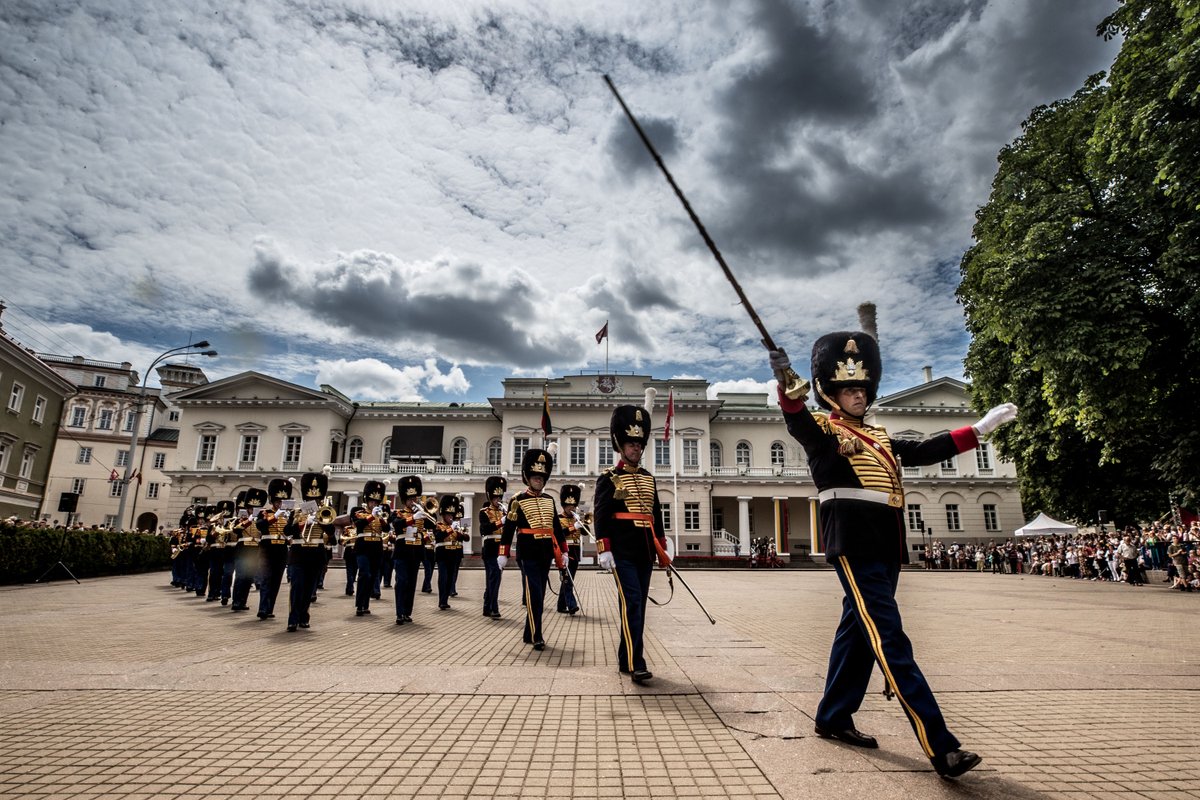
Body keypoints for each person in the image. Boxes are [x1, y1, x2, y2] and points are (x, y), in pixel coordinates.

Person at [769, 332, 1017, 779]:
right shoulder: (824, 431)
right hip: (853, 542)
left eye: (863, 389)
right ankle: (940, 746)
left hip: (886, 543)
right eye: (849, 389)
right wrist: (785, 383)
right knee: (890, 638)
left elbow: (923, 451)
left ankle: (833, 715)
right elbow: (796, 418)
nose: (858, 395)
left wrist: (978, 430)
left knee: (858, 633)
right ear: (831, 392)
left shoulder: (880, 436)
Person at [594, 394, 670, 685]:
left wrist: (662, 549)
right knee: (633, 602)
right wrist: (604, 549)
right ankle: (638, 661)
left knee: (637, 606)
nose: (636, 448)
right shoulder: (609, 478)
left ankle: (626, 657)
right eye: (630, 443)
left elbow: (656, 515)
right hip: (622, 552)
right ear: (620, 445)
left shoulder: (650, 478)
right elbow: (601, 515)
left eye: (639, 444)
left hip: (645, 552)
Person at [499, 446, 567, 651]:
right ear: (527, 477)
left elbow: (556, 527)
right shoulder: (517, 500)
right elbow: (509, 529)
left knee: (540, 592)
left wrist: (563, 551)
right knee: (534, 594)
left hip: (546, 552)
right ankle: (538, 634)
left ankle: (529, 632)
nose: (538, 479)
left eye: (541, 476)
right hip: (527, 552)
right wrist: (503, 553)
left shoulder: (549, 500)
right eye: (535, 476)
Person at [286, 472, 333, 632]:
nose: (315, 501)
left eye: (318, 498)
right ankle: (293, 619)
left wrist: (321, 519)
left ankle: (304, 617)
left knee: (309, 589)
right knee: (297, 586)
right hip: (298, 553)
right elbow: (287, 530)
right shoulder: (297, 511)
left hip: (316, 554)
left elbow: (331, 532)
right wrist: (301, 523)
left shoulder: (324, 511)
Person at [392, 475, 433, 625]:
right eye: (410, 499)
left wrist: (426, 513)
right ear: (404, 500)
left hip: (416, 551)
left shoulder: (422, 514)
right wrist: (412, 518)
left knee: (411, 583)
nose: (413, 501)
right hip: (402, 551)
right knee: (401, 581)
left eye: (415, 498)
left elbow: (433, 525)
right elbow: (397, 525)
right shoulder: (397, 513)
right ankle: (399, 612)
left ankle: (407, 612)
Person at [256, 479, 297, 620]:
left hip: (281, 547)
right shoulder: (264, 512)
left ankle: (269, 609)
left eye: (282, 501)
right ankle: (262, 608)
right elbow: (260, 526)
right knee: (266, 578)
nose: (280, 504)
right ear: (272, 500)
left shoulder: (289, 515)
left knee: (276, 580)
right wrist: (275, 516)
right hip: (267, 547)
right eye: (278, 501)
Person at [230, 488, 267, 612]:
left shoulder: (262, 521)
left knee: (248, 577)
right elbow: (236, 530)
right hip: (243, 550)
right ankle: (236, 601)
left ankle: (243, 602)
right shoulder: (240, 519)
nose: (253, 510)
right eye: (251, 508)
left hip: (255, 550)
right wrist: (249, 519)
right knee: (240, 576)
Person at [478, 476, 508, 619]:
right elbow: (485, 529)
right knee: (494, 576)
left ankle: (486, 607)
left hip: (501, 548)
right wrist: (500, 522)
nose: (498, 500)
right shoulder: (483, 512)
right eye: (495, 497)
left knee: (494, 578)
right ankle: (493, 608)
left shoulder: (504, 512)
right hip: (490, 547)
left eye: (500, 497)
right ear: (490, 497)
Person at [432, 494, 467, 610]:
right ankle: (441, 600)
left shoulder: (455, 526)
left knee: (450, 578)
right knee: (443, 577)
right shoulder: (438, 525)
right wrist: (450, 529)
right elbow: (439, 537)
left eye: (452, 515)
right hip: (442, 554)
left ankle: (445, 600)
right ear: (443, 514)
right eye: (448, 515)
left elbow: (465, 538)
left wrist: (461, 531)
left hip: (453, 554)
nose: (450, 517)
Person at [556, 484, 583, 615]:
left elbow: (584, 533)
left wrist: (581, 524)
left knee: (568, 578)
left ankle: (561, 606)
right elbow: (559, 534)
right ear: (564, 506)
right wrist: (573, 527)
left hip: (576, 551)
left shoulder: (575, 518)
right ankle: (572, 605)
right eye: (569, 506)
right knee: (567, 579)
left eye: (573, 506)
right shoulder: (558, 518)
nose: (571, 508)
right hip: (564, 551)